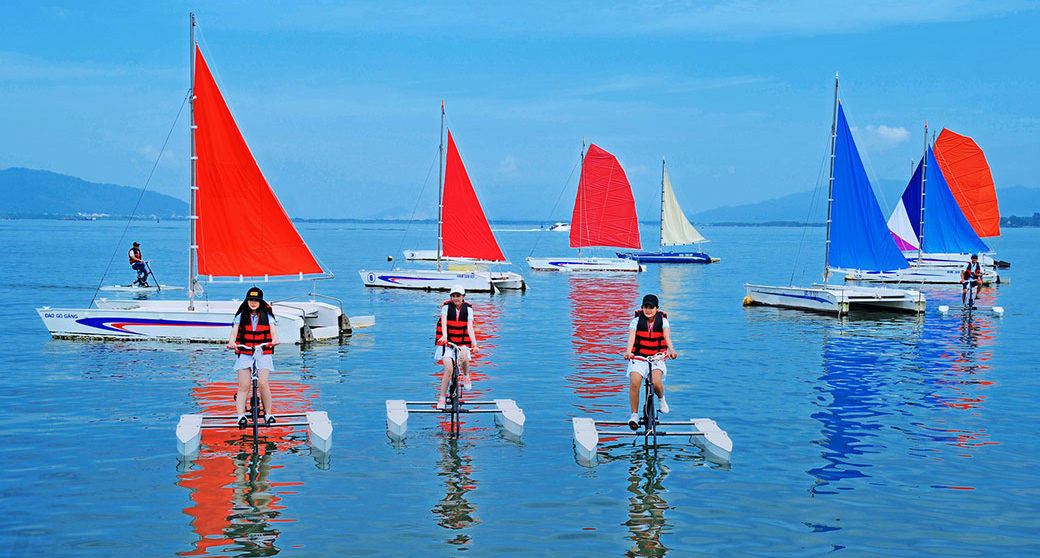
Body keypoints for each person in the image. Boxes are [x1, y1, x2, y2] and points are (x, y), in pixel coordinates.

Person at [227, 287, 280, 427]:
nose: (253, 303)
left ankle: (268, 414)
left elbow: (274, 332)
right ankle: (240, 416)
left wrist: (275, 340)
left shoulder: (268, 316)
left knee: (263, 383)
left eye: (256, 300)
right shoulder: (241, 315)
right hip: (245, 352)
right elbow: (234, 332)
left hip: (263, 352)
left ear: (261, 302)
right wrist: (232, 342)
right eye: (251, 300)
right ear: (247, 300)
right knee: (244, 385)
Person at [623, 294, 677, 430]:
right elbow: (631, 338)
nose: (648, 310)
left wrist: (671, 350)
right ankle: (634, 415)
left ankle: (661, 399)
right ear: (642, 308)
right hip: (639, 358)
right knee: (635, 383)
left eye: (651, 307)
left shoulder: (663, 321)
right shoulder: (636, 321)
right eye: (646, 307)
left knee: (657, 383)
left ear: (657, 309)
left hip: (657, 358)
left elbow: (667, 337)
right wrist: (628, 352)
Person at [434, 285, 479, 409]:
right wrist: (444, 335)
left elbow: (470, 328)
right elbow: (443, 322)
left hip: (462, 342)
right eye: (453, 296)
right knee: (448, 368)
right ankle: (442, 398)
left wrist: (474, 344)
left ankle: (466, 376)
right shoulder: (446, 308)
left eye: (458, 296)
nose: (455, 298)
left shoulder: (468, 309)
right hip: (448, 343)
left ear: (463, 297)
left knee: (464, 356)